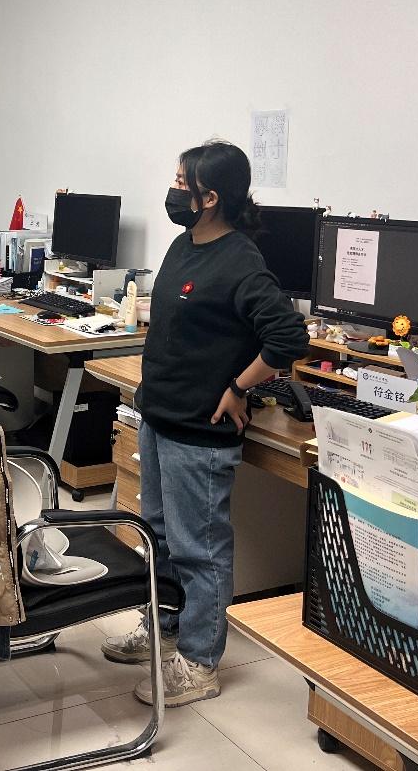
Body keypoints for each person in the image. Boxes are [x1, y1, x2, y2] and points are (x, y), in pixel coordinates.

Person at [101, 139, 308, 707]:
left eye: (181, 183)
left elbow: (287, 338)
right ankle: (165, 629)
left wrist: (239, 387)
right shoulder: (182, 244)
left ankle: (199, 661)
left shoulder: (240, 260)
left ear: (210, 197)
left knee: (200, 550)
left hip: (199, 431)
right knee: (159, 537)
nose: (172, 191)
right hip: (158, 415)